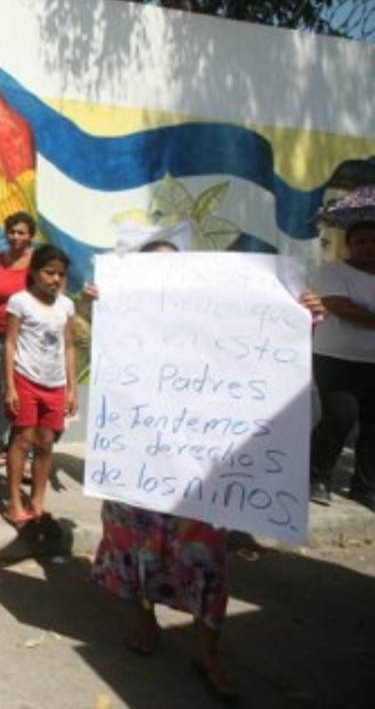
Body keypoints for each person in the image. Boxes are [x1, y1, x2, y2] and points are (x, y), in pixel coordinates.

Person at [89, 239, 324, 701]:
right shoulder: (124, 316)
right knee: (135, 547)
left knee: (205, 559)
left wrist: (301, 314)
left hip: (200, 467)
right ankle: (143, 616)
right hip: (137, 463)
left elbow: (269, 352)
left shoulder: (216, 319)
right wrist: (98, 304)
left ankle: (207, 649)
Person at [2, 245, 77, 525]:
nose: (55, 279)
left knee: (46, 443)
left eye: (60, 274)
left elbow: (69, 346)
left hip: (55, 383)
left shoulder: (66, 305)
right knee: (22, 441)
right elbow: (9, 343)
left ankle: (37, 499)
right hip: (25, 379)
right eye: (49, 272)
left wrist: (72, 388)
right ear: (34, 272)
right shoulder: (19, 301)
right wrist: (9, 385)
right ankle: (14, 501)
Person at [309, 219, 375, 509]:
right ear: (349, 246)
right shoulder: (333, 271)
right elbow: (339, 306)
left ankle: (365, 487)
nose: (368, 248)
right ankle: (318, 478)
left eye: (374, 242)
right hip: (336, 359)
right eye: (361, 242)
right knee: (340, 417)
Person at [0, 211, 36, 467]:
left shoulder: (37, 263)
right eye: (11, 231)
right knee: (9, 392)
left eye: (21, 232)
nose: (15, 237)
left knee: (28, 392)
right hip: (0, 335)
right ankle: (14, 446)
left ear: (31, 236)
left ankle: (27, 450)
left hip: (29, 337)